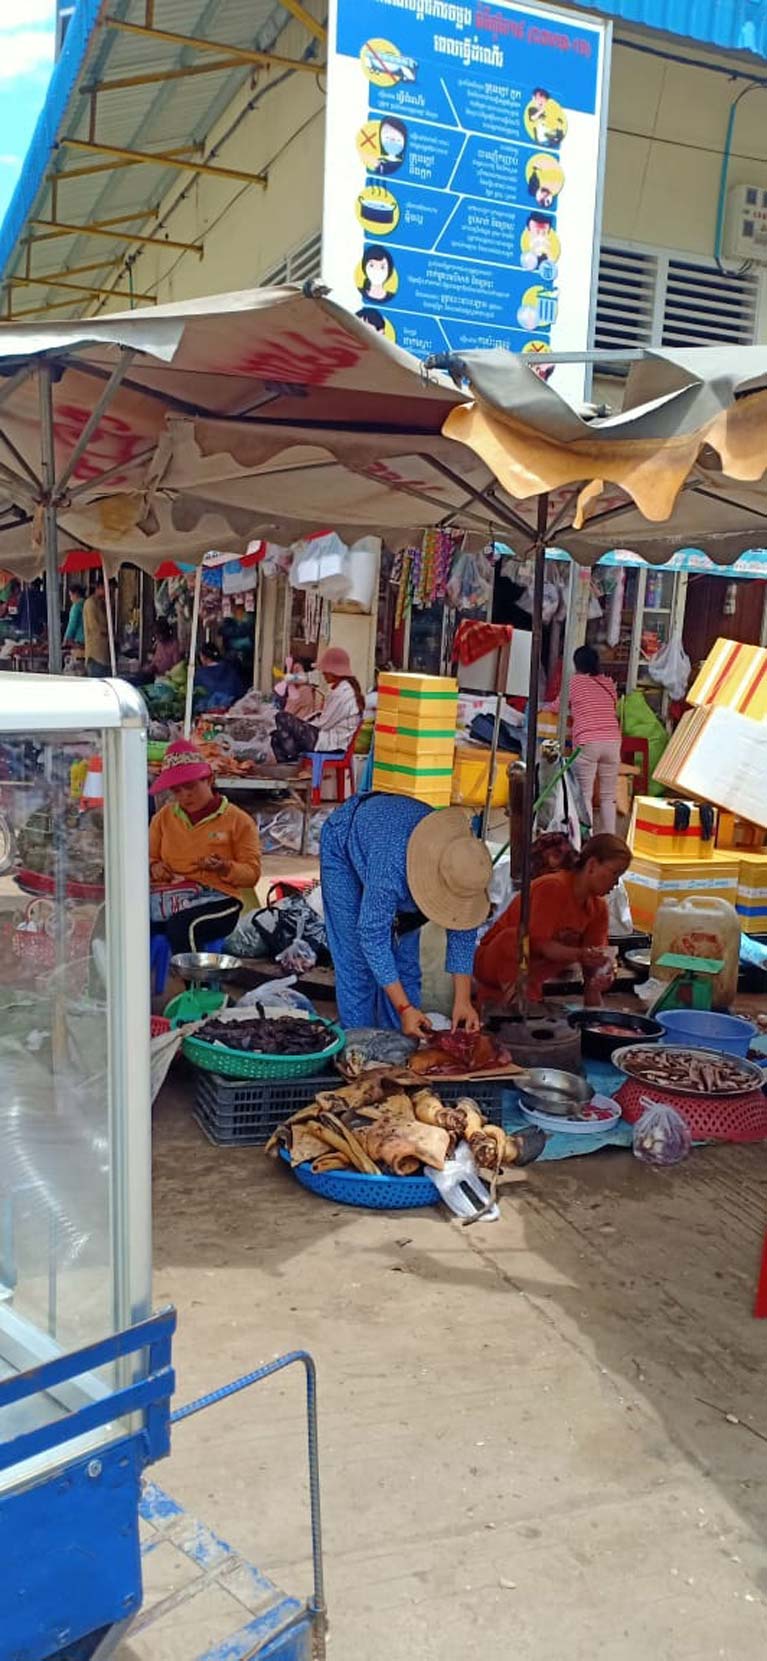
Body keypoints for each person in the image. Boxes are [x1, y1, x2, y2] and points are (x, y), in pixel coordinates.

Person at [320, 795, 491, 1033]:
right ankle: (359, 1044)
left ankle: (400, 1042)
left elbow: (463, 930)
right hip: (345, 843)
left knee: (404, 965)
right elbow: (372, 936)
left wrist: (462, 1002)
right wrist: (404, 1008)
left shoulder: (467, 866)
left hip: (387, 845)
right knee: (357, 966)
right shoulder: (392, 867)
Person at [474, 834, 631, 1009]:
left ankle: (526, 1000)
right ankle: (517, 1000)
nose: (616, 883)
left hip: (532, 975)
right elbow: (540, 945)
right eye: (615, 873)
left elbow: (596, 953)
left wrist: (602, 974)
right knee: (515, 938)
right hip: (492, 964)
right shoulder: (553, 887)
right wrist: (580, 954)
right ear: (592, 865)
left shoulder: (598, 907)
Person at [149, 739, 261, 953]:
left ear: (209, 779)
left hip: (220, 899)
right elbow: (148, 857)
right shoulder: (163, 818)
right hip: (172, 896)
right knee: (126, 917)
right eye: (177, 790)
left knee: (183, 926)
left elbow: (251, 874)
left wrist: (224, 867)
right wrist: (154, 866)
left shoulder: (239, 821)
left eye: (191, 786)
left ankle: (194, 976)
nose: (185, 795)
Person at [271, 646, 363, 764]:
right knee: (276, 737)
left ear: (334, 671)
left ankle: (294, 762)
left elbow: (324, 723)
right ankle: (292, 765)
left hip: (329, 743)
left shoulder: (343, 693)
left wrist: (302, 726)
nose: (323, 673)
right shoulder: (341, 689)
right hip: (325, 737)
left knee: (282, 717)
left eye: (325, 670)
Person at [568, 644, 623, 834]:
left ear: (576, 664)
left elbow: (558, 705)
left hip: (588, 741)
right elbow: (612, 706)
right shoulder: (608, 683)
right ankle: (610, 839)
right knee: (608, 797)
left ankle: (588, 838)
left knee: (584, 795)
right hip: (612, 741)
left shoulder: (575, 682)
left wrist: (543, 708)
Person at [194, 643, 244, 712]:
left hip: (207, 712)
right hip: (231, 711)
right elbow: (240, 691)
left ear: (203, 657)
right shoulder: (230, 670)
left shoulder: (200, 674)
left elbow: (196, 697)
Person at [83, 575, 111, 676]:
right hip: (95, 655)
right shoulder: (90, 604)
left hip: (105, 654)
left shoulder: (102, 604)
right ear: (99, 587)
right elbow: (95, 628)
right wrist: (110, 634)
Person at [63, 583, 85, 649]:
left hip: (79, 639)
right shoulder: (86, 603)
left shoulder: (76, 606)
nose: (71, 598)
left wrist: (66, 638)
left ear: (76, 594)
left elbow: (72, 623)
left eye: (71, 595)